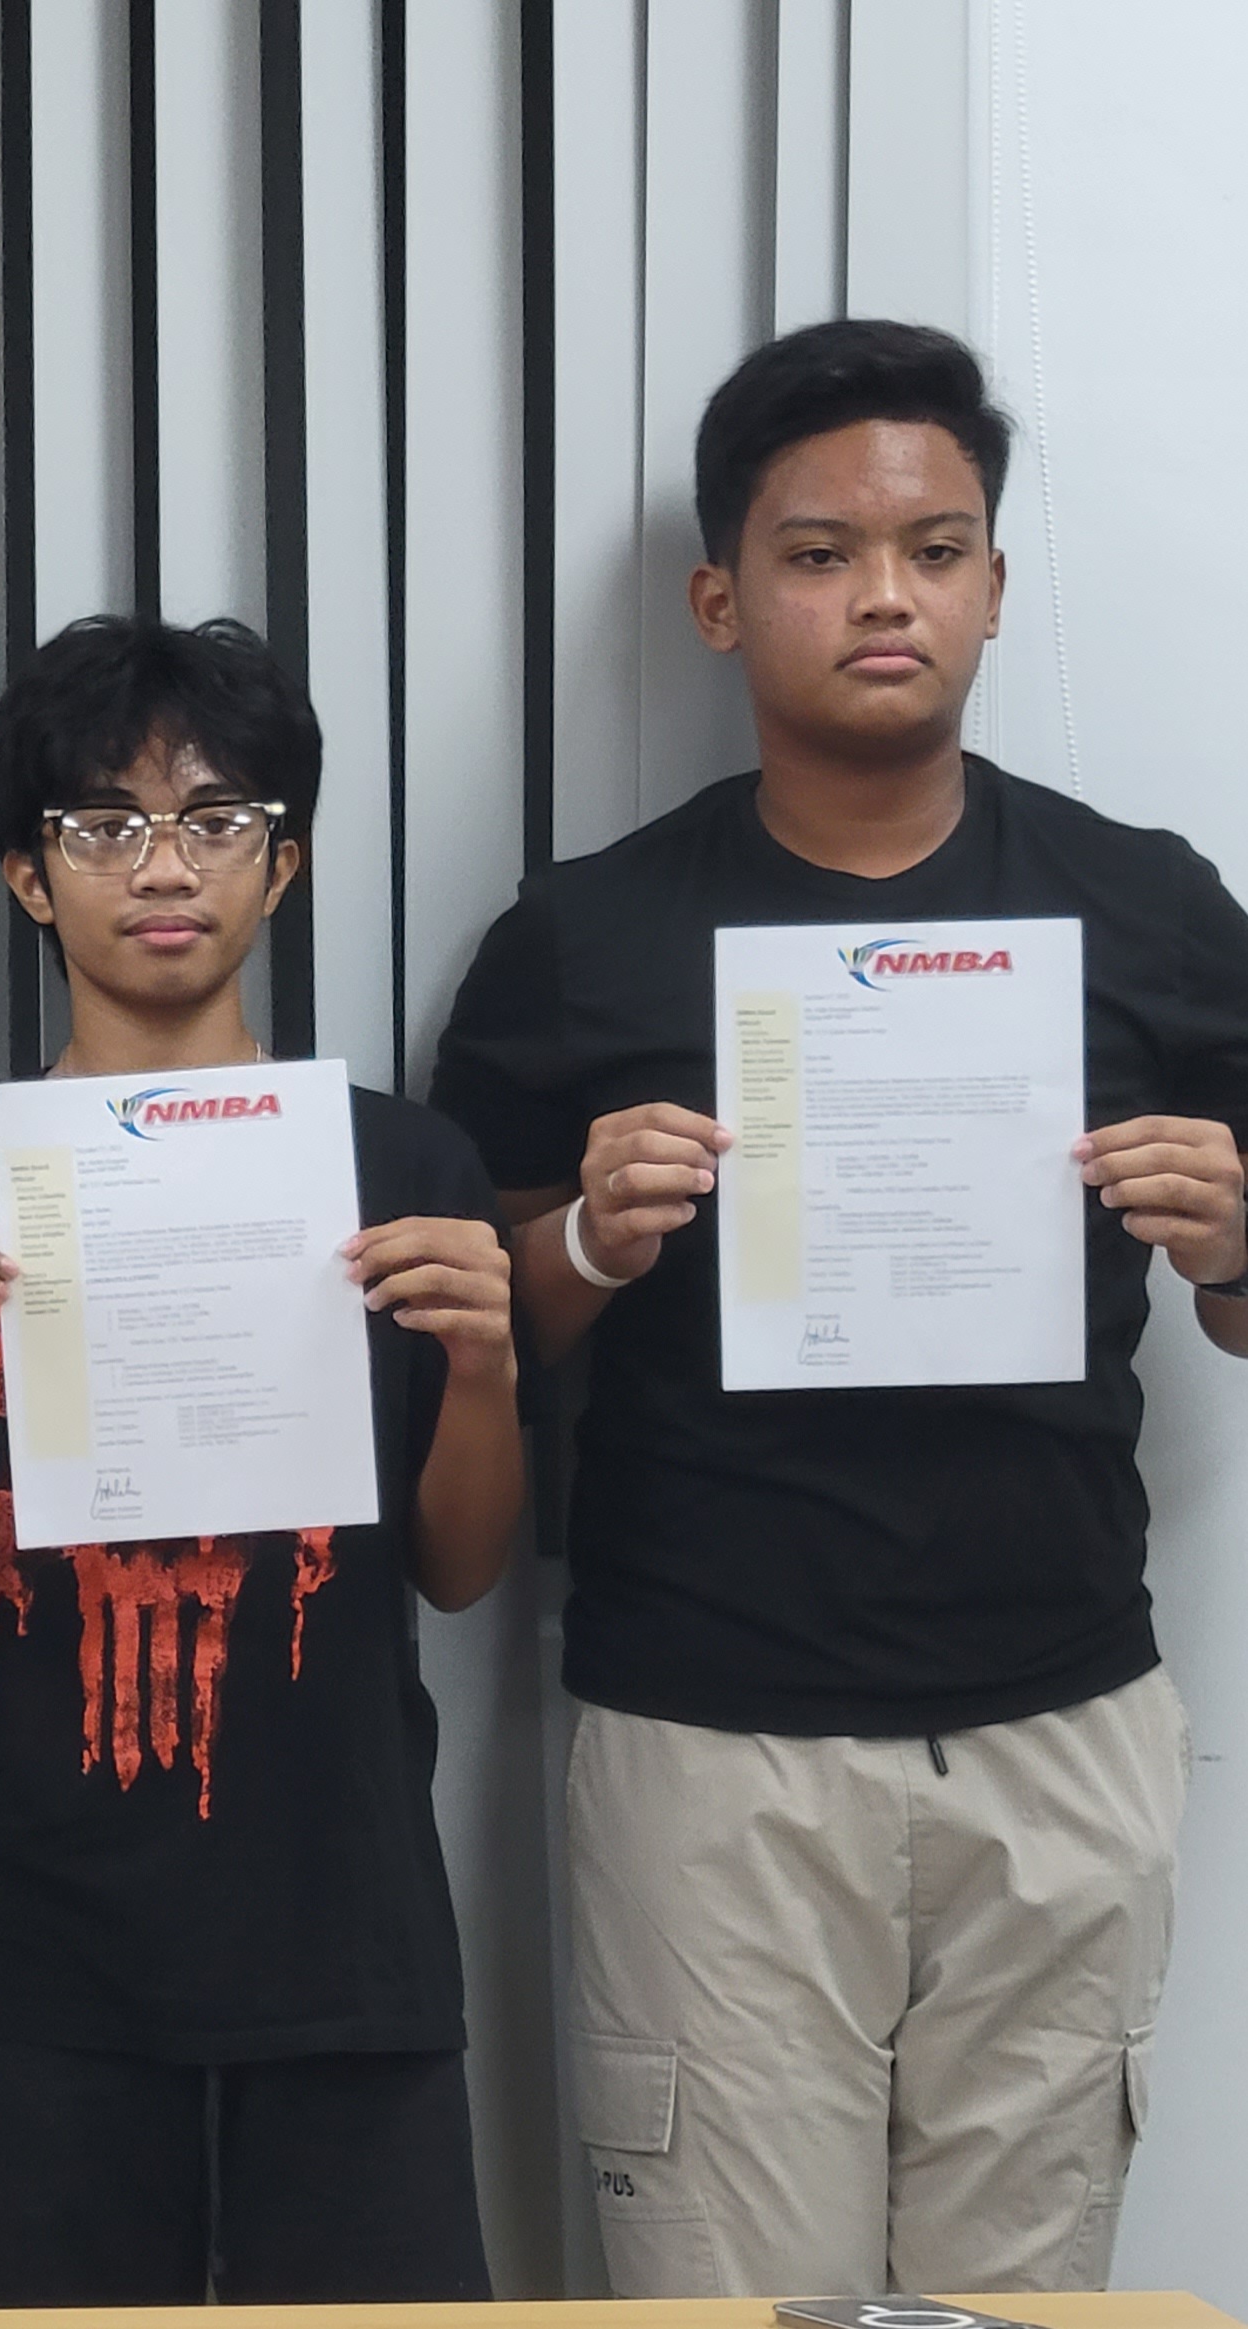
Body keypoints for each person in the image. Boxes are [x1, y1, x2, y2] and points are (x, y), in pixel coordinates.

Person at [434, 317, 1248, 2294]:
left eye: (931, 548)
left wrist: (1230, 1243)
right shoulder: (583, 935)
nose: (883, 594)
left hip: (1058, 1711)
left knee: (1018, 2293)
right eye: (818, 552)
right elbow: (463, 1329)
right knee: (729, 2298)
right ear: (719, 600)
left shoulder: (1146, 904)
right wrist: (584, 1242)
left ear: (991, 585)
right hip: (708, 1735)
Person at [0, 617, 519, 2303]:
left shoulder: (399, 1166)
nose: (160, 865)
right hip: (39, 1940)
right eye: (100, 824)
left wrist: (488, 1364)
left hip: (340, 1920)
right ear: (25, 873)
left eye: (215, 818)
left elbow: (457, 1568)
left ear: (281, 865)